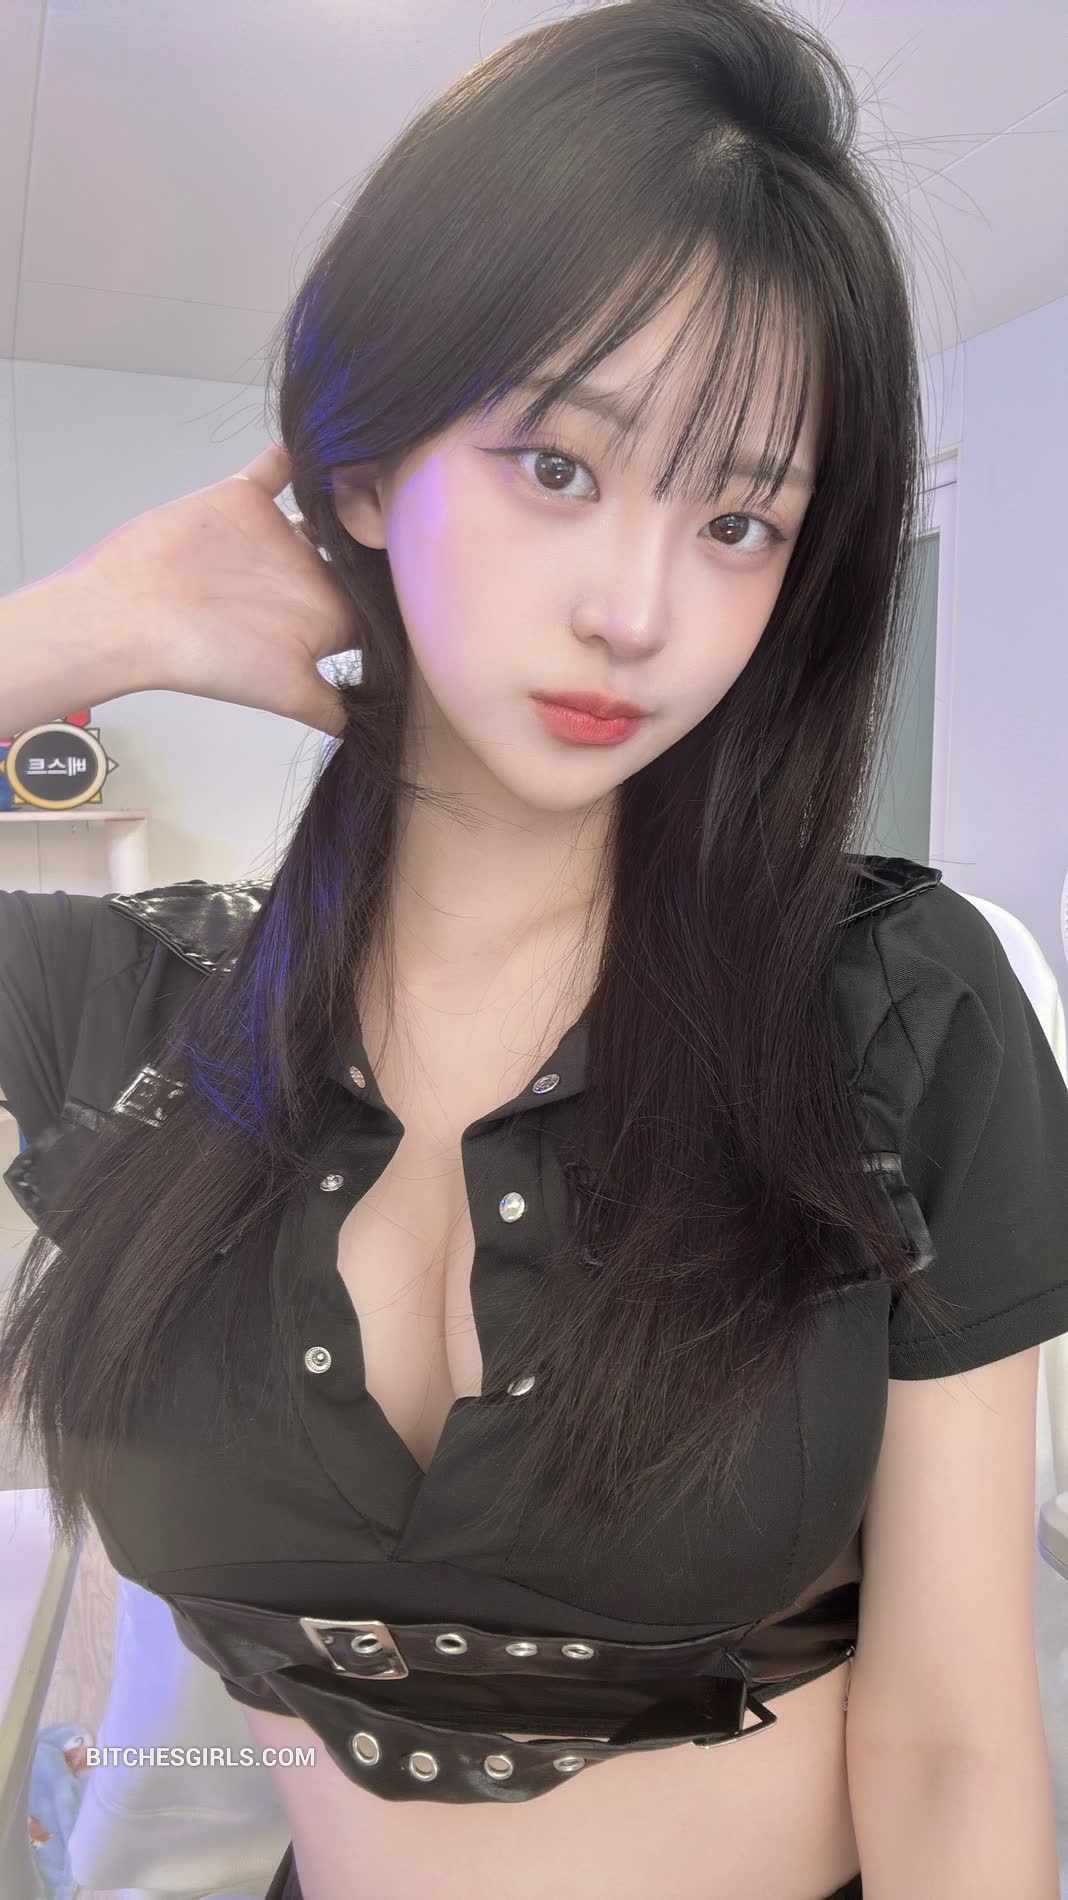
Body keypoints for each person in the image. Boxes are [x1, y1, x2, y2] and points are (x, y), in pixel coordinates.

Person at [0, 2, 1065, 1897]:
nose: (640, 611)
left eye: (739, 519)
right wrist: (73, 629)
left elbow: (954, 1748)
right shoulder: (123, 1011)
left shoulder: (896, 1011)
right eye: (557, 466)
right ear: (360, 469)